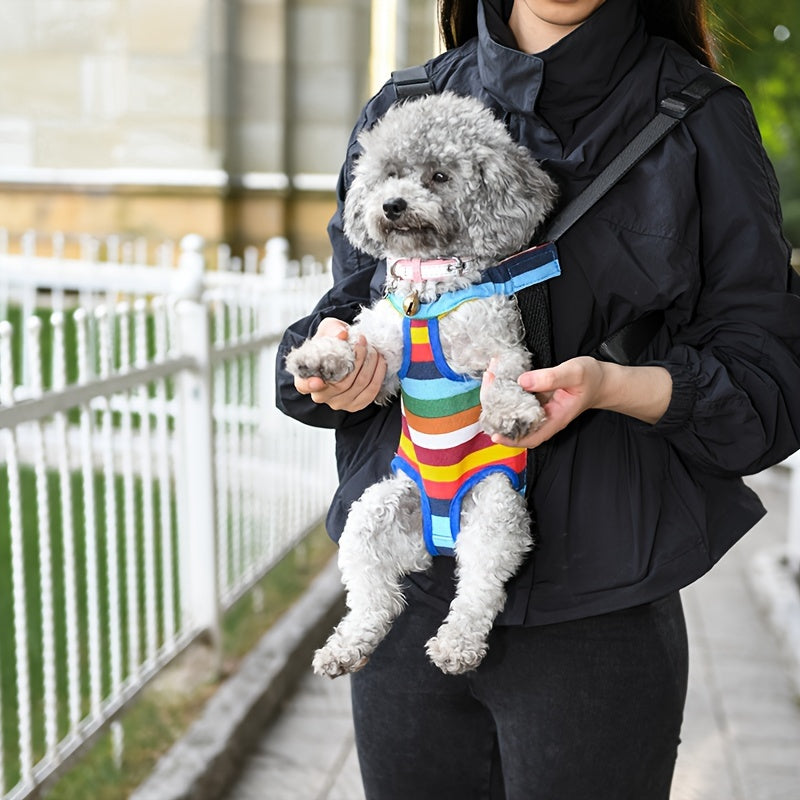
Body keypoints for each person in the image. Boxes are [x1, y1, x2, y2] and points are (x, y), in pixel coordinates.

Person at [275, 0, 800, 797]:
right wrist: (342, 370)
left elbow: (769, 381)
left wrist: (614, 387)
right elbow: (350, 304)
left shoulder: (700, 120)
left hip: (600, 611)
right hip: (412, 604)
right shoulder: (402, 105)